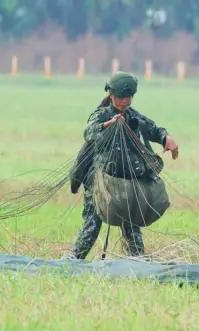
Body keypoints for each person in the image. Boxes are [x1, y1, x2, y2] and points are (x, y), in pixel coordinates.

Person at [68, 72, 179, 260]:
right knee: (93, 223)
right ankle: (73, 260)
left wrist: (165, 138)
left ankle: (136, 261)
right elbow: (89, 132)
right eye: (121, 97)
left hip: (126, 181)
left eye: (129, 97)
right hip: (101, 180)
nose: (125, 101)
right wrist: (107, 125)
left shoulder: (132, 116)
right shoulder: (101, 114)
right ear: (111, 95)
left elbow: (151, 128)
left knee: (131, 222)